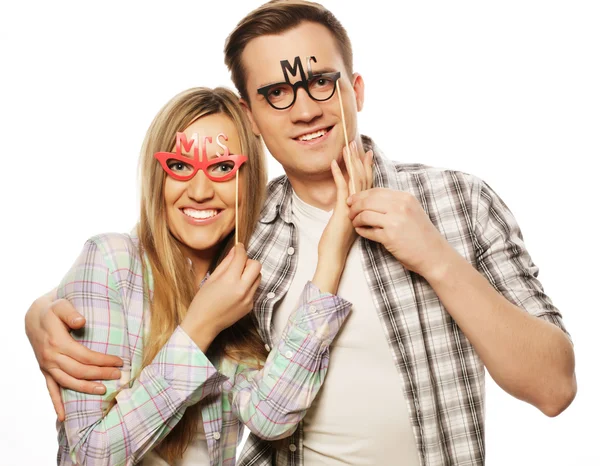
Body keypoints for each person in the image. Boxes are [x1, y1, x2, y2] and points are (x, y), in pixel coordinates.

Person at [26, 1, 577, 465]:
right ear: (251, 115)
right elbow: (153, 265)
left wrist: (436, 258)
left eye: (320, 81)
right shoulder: (243, 242)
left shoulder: (459, 203)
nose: (306, 108)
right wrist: (46, 312)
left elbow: (554, 389)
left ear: (356, 89)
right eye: (276, 93)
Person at [34, 85, 373, 465]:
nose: (199, 190)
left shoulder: (246, 283)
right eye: (179, 166)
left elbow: (272, 416)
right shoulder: (111, 264)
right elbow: (89, 457)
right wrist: (199, 328)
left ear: (249, 179)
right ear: (155, 174)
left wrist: (330, 257)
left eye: (223, 168)